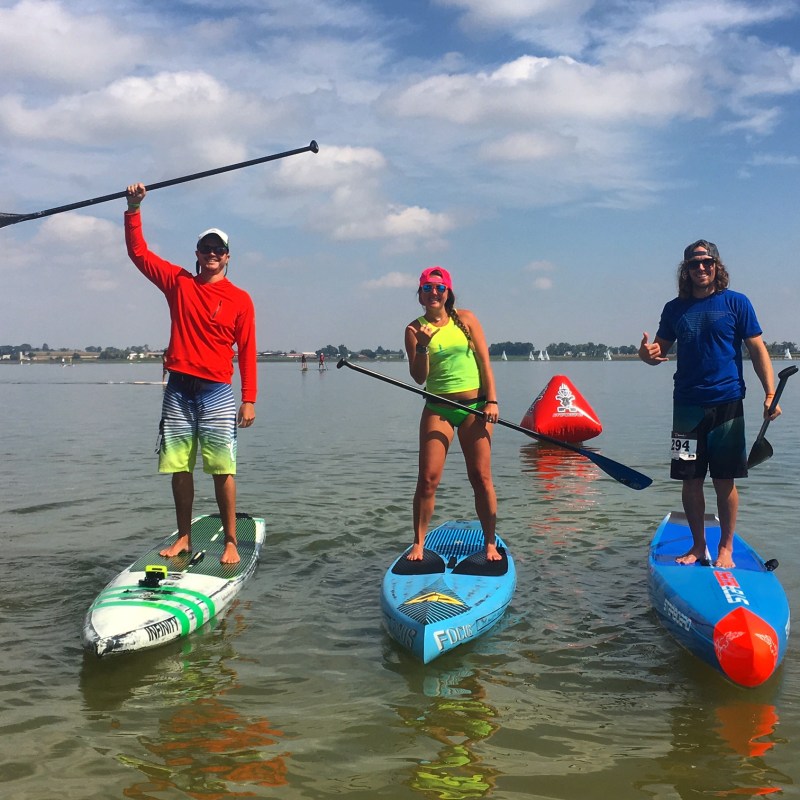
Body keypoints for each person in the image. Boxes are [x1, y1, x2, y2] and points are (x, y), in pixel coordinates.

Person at [124, 183, 257, 564]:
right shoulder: (179, 283)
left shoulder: (240, 299)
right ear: (197, 255)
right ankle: (184, 536)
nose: (212, 254)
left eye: (219, 250)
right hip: (179, 388)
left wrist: (249, 400)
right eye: (206, 249)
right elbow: (138, 253)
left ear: (228, 257)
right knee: (179, 467)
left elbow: (247, 352)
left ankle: (231, 540)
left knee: (222, 468)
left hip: (217, 390)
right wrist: (134, 208)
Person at [639, 239, 780, 568]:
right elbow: (657, 353)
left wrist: (770, 392)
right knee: (690, 479)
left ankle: (726, 548)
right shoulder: (674, 309)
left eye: (707, 262)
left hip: (727, 404)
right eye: (694, 264)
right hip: (686, 408)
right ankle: (698, 545)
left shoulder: (736, 303)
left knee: (724, 480)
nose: (701, 268)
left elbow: (757, 350)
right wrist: (646, 356)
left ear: (717, 266)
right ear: (685, 270)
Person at [405, 266, 500, 561]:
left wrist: (492, 401)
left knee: (481, 477)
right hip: (438, 408)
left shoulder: (467, 319)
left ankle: (490, 543)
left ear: (448, 292)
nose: (434, 293)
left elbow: (484, 361)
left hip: (475, 408)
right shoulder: (413, 329)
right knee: (428, 479)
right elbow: (419, 377)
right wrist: (422, 347)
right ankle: (419, 543)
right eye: (427, 288)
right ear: (420, 294)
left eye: (439, 288)